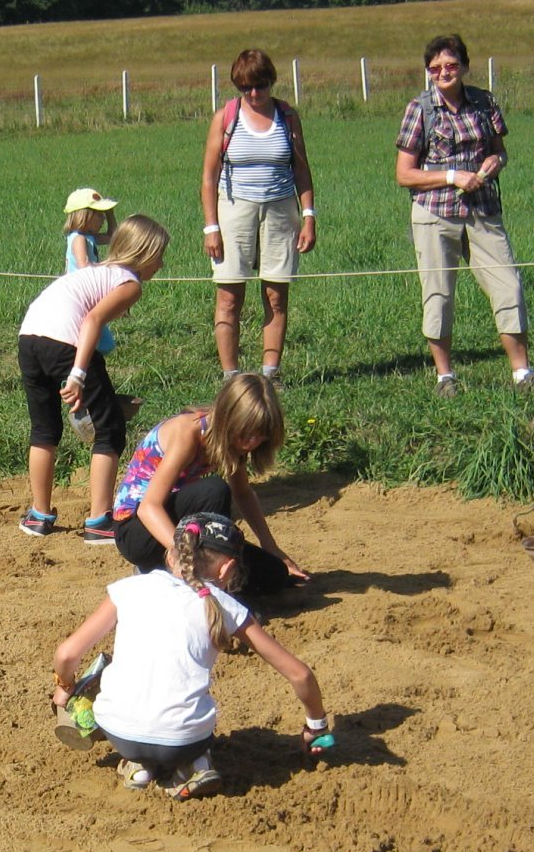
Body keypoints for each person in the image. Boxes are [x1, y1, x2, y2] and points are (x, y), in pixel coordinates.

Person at [51, 513, 331, 800]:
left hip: (118, 731)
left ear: (170, 555)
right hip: (184, 739)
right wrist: (316, 726)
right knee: (189, 714)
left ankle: (138, 765)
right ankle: (195, 765)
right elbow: (300, 674)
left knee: (110, 675)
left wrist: (65, 687)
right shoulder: (225, 606)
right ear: (227, 569)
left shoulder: (128, 588)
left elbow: (67, 654)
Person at [16, 214, 171, 543]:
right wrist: (78, 374)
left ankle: (39, 516)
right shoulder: (129, 283)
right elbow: (92, 320)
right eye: (160, 254)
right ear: (144, 252)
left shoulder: (98, 272)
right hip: (63, 341)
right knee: (110, 428)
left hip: (29, 336)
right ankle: (100, 521)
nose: (162, 263)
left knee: (44, 427)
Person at [395, 34, 534, 396]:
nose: (444, 72)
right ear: (428, 72)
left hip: (483, 209)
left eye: (451, 65)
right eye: (436, 67)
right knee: (438, 294)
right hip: (435, 212)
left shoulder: (484, 102)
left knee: (509, 285)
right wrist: (451, 176)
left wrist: (494, 162)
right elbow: (404, 174)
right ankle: (445, 377)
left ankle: (522, 373)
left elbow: (500, 151)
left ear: (465, 66)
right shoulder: (420, 109)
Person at [108, 372, 306, 595]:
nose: (253, 443)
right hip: (138, 531)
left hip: (180, 527)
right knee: (213, 491)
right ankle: (186, 578)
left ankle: (183, 573)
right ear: (229, 418)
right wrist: (180, 555)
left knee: (274, 573)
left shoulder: (232, 442)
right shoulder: (188, 433)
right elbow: (149, 507)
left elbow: (243, 494)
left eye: (261, 435)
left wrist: (272, 549)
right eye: (247, 433)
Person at [199, 49, 315, 384]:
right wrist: (212, 227)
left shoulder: (287, 116)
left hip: (281, 209)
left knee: (276, 294)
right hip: (234, 209)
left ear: (271, 82)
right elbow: (208, 177)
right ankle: (230, 375)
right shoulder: (225, 118)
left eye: (261, 86)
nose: (254, 94)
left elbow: (302, 169)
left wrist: (308, 216)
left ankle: (270, 373)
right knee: (229, 294)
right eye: (246, 87)